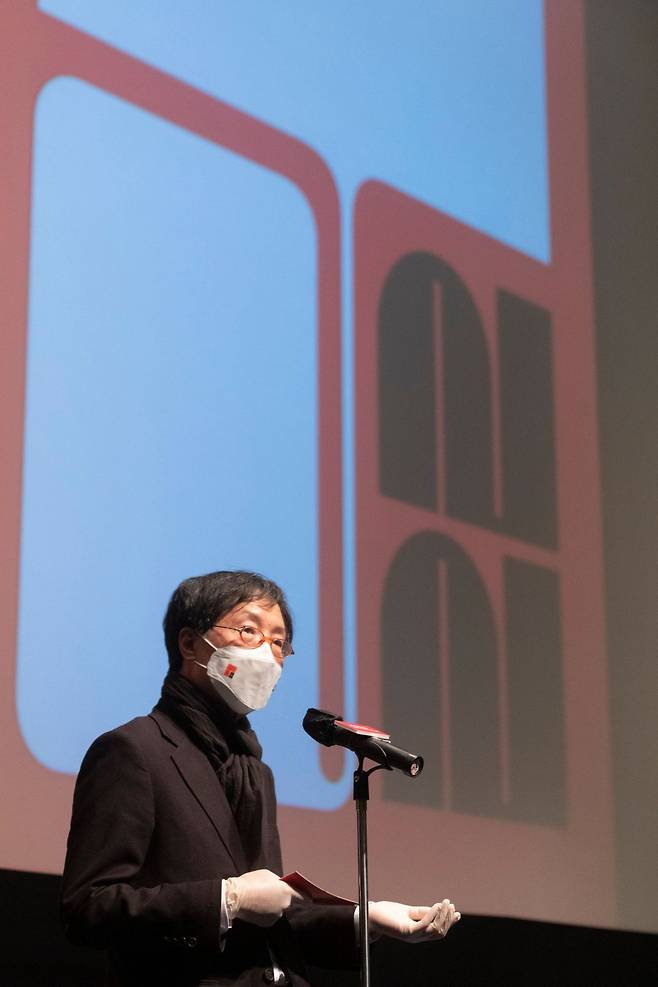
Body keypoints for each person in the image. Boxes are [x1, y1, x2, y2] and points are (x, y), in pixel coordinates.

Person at [61, 570, 460, 986]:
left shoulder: (254, 771)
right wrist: (226, 900)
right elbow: (88, 908)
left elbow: (272, 918)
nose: (268, 654)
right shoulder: (133, 751)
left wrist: (365, 918)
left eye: (279, 642)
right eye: (249, 631)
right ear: (190, 643)